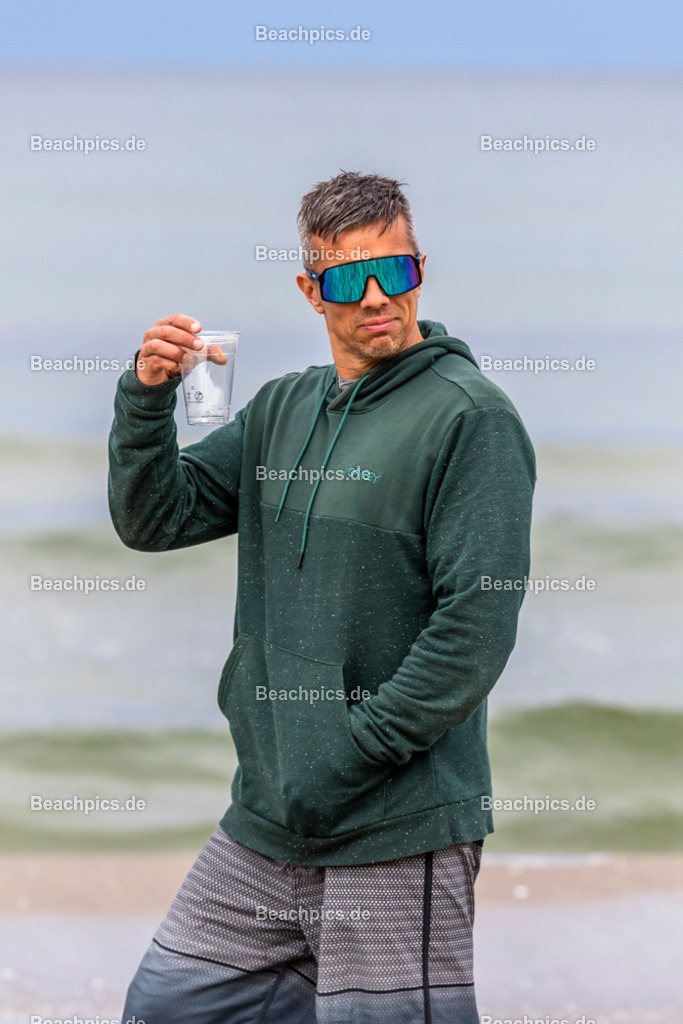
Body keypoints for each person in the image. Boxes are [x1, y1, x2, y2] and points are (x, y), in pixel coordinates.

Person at [108, 171, 535, 1024]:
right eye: (348, 278)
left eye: (396, 271)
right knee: (167, 1010)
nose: (376, 296)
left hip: (395, 826)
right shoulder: (282, 410)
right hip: (268, 819)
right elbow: (156, 519)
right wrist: (146, 402)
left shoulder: (467, 418)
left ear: (420, 269)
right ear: (310, 289)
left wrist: (350, 753)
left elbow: (475, 623)